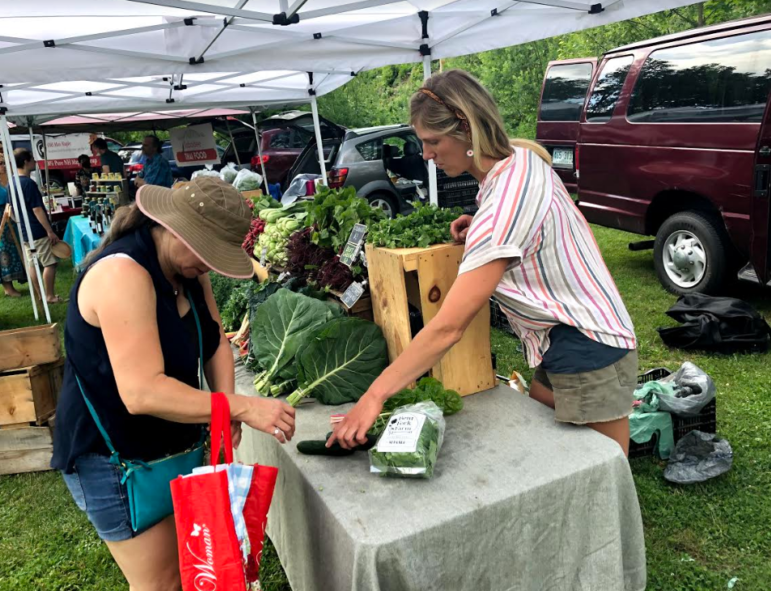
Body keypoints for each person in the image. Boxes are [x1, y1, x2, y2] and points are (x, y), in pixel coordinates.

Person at [329, 70, 638, 456]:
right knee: (557, 462)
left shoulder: (504, 205)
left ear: (467, 130)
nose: (426, 154)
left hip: (591, 346)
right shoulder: (519, 161)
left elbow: (448, 328)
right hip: (562, 340)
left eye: (433, 142)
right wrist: (480, 228)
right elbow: (529, 227)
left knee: (602, 477)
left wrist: (374, 396)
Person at [52, 176, 296, 590]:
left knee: (189, 568)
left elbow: (215, 339)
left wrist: (223, 401)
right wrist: (240, 408)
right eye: (205, 252)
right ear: (172, 227)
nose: (208, 266)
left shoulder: (185, 270)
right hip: (117, 462)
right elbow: (142, 391)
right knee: (160, 582)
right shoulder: (122, 275)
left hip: (167, 450)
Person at [7, 148, 64, 304]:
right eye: (32, 159)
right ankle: (50, 296)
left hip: (24, 232)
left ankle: (40, 295)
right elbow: (37, 209)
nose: (35, 161)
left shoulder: (11, 182)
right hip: (37, 231)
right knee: (49, 263)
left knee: (32, 263)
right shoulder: (28, 183)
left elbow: (11, 209)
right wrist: (49, 231)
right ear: (26, 161)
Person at [0, 184, 26, 297]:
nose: (3, 166)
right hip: (1, 222)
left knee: (10, 251)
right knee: (3, 253)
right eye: (1, 164)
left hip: (7, 221)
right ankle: (8, 287)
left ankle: (9, 287)